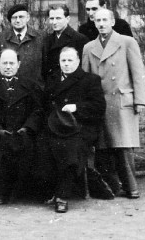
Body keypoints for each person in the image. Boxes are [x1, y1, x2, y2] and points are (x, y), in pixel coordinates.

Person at [82, 9, 145, 199]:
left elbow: (138, 73)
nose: (101, 24)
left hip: (121, 101)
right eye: (98, 20)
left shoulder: (127, 42)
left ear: (112, 22)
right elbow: (86, 78)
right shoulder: (88, 48)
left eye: (105, 20)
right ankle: (110, 187)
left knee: (123, 146)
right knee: (102, 147)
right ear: (94, 23)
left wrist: (140, 101)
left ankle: (131, 187)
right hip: (100, 103)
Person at [37, 47, 106, 213]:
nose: (66, 64)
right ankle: (50, 190)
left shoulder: (90, 80)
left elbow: (99, 106)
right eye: (63, 61)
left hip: (80, 127)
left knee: (70, 150)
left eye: (70, 60)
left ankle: (63, 195)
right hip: (55, 125)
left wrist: (77, 107)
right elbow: (45, 105)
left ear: (77, 62)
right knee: (41, 147)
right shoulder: (53, 79)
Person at [0, 49, 44, 205]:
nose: (8, 67)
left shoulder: (30, 85)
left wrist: (27, 128)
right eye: (5, 63)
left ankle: (19, 191)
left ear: (18, 64)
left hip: (22, 131)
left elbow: (37, 110)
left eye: (11, 63)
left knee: (29, 147)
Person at [0, 4, 44, 85]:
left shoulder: (40, 37)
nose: (18, 20)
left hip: (34, 88)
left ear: (28, 17)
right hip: (8, 88)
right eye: (14, 17)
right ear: (10, 20)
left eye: (21, 17)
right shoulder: (1, 38)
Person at [42, 4, 88, 80]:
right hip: (52, 85)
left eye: (58, 18)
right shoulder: (47, 40)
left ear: (67, 19)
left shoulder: (79, 39)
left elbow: (83, 68)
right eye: (52, 18)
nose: (54, 22)